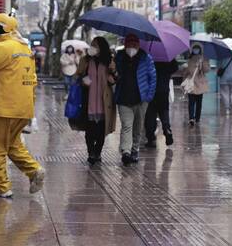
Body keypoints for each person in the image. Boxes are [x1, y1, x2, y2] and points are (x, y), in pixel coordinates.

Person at [0, 13, 45, 198]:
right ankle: (34, 170)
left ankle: (1, 187)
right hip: (23, 108)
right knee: (13, 145)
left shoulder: (5, 47)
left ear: (1, 29)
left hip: (5, 107)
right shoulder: (24, 48)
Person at [114, 34, 156, 165]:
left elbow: (152, 78)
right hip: (123, 98)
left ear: (138, 45)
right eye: (129, 43)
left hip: (141, 99)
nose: (131, 46)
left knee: (137, 127)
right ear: (125, 44)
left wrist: (148, 96)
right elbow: (113, 74)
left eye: (134, 44)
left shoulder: (146, 58)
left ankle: (134, 149)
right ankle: (126, 152)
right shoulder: (119, 57)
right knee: (127, 126)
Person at [75, 37, 117, 165]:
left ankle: (97, 152)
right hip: (89, 100)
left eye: (95, 45)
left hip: (105, 101)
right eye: (92, 45)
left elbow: (116, 77)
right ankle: (91, 153)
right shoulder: (86, 60)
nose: (92, 47)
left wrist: (112, 75)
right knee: (90, 130)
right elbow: (78, 75)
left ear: (102, 48)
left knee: (101, 131)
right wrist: (83, 80)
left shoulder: (109, 61)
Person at [145, 59, 179, 147]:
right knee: (164, 111)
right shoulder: (167, 57)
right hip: (163, 89)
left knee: (150, 114)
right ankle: (167, 129)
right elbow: (175, 68)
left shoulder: (149, 57)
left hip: (151, 90)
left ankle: (151, 137)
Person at [183, 43, 210, 126]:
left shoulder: (203, 59)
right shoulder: (189, 60)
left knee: (199, 102)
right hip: (191, 84)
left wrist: (202, 64)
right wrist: (184, 81)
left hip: (200, 84)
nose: (196, 50)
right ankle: (191, 117)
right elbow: (186, 72)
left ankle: (197, 118)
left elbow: (206, 70)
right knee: (191, 102)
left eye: (197, 49)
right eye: (194, 48)